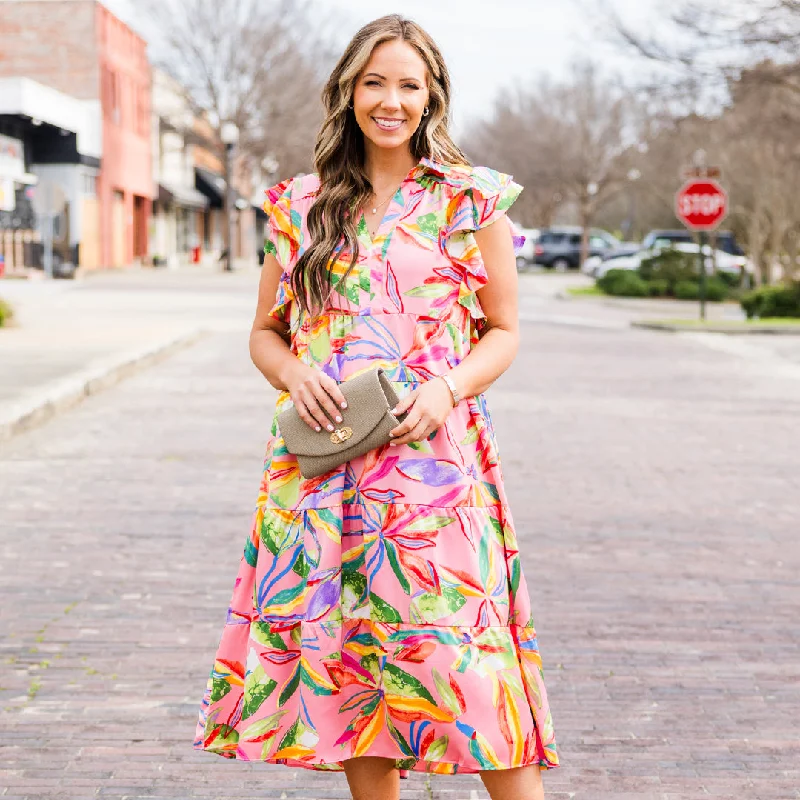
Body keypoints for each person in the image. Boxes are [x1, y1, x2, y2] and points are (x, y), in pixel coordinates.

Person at [194, 13, 559, 800]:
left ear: (431, 98)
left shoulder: (469, 201)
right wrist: (293, 374)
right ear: (348, 92)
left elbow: (503, 331)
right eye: (375, 83)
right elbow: (264, 336)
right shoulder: (301, 205)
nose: (390, 101)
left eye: (408, 85)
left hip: (436, 474)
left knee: (471, 670)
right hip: (327, 476)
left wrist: (447, 388)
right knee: (356, 674)